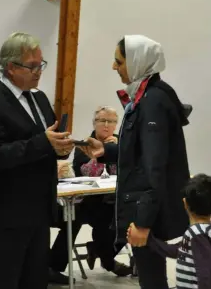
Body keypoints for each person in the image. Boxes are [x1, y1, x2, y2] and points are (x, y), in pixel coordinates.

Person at [77, 35, 191, 289]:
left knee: (152, 281)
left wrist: (142, 222)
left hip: (147, 209)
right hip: (145, 206)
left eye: (118, 61)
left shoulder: (152, 102)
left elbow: (154, 166)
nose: (113, 67)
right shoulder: (149, 96)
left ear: (138, 62)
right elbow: (138, 153)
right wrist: (105, 151)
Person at [0, 32, 74, 289]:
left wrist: (62, 148)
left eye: (41, 65)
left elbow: (48, 142)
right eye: (32, 66)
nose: (38, 71)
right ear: (11, 67)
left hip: (39, 211)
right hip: (7, 217)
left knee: (35, 282)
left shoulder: (39, 98)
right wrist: (44, 142)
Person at [49, 106, 131, 285]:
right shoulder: (84, 145)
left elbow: (128, 171)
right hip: (89, 201)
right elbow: (83, 173)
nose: (107, 125)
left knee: (124, 219)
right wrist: (101, 154)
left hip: (114, 201)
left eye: (111, 121)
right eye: (102, 121)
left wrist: (114, 150)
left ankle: (101, 252)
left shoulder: (122, 143)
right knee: (74, 219)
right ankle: (54, 267)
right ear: (95, 123)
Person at [127, 174, 211, 289]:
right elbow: (177, 250)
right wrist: (150, 240)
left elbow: (205, 273)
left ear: (185, 203)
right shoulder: (201, 231)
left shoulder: (197, 234)